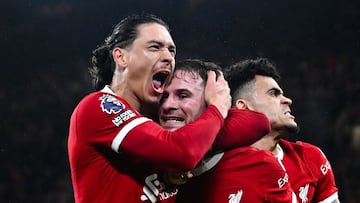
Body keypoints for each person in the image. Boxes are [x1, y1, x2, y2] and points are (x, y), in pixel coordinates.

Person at [67, 14, 267, 203]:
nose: (168, 57)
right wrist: (214, 110)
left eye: (171, 51)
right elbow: (181, 153)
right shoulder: (99, 106)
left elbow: (257, 122)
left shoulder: (161, 118)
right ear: (121, 57)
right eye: (155, 47)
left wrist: (198, 141)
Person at [160, 59, 297, 202]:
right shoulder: (149, 160)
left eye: (183, 96)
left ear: (211, 103)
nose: (167, 105)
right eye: (163, 97)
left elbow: (259, 122)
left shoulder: (259, 166)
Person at [222, 58, 340, 203]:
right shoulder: (216, 169)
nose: (287, 100)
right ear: (243, 106)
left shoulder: (310, 158)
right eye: (273, 93)